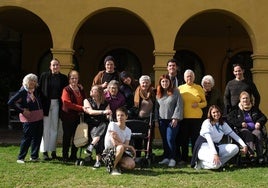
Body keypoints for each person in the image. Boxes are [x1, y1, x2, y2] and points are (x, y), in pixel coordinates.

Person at [191, 105, 248, 170]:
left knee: (235, 148)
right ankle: (200, 163)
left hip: (215, 146)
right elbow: (209, 140)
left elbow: (234, 135)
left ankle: (219, 163)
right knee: (216, 165)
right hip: (203, 147)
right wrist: (215, 154)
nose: (216, 114)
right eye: (214, 112)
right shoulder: (207, 123)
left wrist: (244, 145)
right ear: (210, 114)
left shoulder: (223, 123)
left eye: (217, 112)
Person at [8, 73, 44, 163]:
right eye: (31, 80)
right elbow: (10, 102)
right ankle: (21, 158)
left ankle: (34, 156)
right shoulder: (22, 91)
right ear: (26, 81)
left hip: (39, 118)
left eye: (34, 81)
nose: (33, 82)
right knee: (27, 138)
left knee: (37, 137)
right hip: (29, 119)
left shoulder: (35, 91)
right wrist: (22, 110)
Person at [38, 58, 68, 160]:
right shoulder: (44, 76)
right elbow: (39, 90)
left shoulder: (63, 78)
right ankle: (45, 151)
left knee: (54, 128)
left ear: (59, 66)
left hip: (57, 104)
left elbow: (67, 90)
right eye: (53, 65)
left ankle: (53, 151)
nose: (55, 67)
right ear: (50, 66)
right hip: (46, 104)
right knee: (45, 128)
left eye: (57, 65)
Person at [227, 91, 267, 164]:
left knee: (258, 133)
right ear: (240, 100)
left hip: (254, 129)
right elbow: (229, 118)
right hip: (242, 130)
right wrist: (240, 124)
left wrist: (259, 122)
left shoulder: (254, 109)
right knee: (247, 132)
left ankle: (260, 156)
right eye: (243, 98)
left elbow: (263, 117)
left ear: (249, 99)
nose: (245, 100)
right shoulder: (236, 109)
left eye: (247, 98)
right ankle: (251, 155)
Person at [177, 69, 207, 164]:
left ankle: (195, 158)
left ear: (194, 77)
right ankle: (184, 158)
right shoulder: (180, 88)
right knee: (184, 139)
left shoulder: (198, 88)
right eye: (187, 76)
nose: (189, 78)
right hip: (184, 117)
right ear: (184, 78)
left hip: (196, 118)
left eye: (191, 76)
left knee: (195, 139)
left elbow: (205, 103)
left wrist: (198, 105)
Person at [155, 75, 183, 167]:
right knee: (165, 140)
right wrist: (156, 120)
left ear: (169, 82)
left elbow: (179, 105)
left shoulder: (175, 92)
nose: (164, 83)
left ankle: (173, 158)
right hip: (162, 120)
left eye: (166, 81)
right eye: (162, 81)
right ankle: (166, 157)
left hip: (172, 120)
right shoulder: (159, 93)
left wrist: (175, 118)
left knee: (170, 139)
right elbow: (156, 108)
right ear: (160, 83)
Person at [83, 85, 112, 168]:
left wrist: (109, 115)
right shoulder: (87, 100)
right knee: (100, 135)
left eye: (94, 90)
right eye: (91, 90)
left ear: (99, 93)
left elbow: (107, 116)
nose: (91, 91)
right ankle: (97, 161)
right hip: (91, 125)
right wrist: (103, 112)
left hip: (102, 125)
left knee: (104, 125)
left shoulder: (105, 103)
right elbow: (90, 112)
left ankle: (92, 145)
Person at [61, 70, 86, 162]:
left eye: (76, 78)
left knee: (76, 137)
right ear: (69, 79)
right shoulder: (66, 89)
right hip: (68, 117)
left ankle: (73, 155)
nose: (74, 80)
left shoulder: (81, 89)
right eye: (72, 78)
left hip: (78, 117)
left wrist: (85, 108)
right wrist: (81, 108)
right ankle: (65, 156)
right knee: (67, 137)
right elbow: (66, 103)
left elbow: (85, 99)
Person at [104, 107, 136, 175]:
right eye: (118, 115)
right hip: (109, 152)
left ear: (126, 117)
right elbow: (115, 143)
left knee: (131, 165)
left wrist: (120, 140)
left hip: (121, 152)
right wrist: (130, 147)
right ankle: (112, 168)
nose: (119, 117)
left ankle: (117, 165)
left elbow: (125, 148)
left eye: (122, 115)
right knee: (120, 147)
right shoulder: (112, 125)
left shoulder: (128, 131)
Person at [133, 75, 156, 157]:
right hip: (138, 119)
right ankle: (137, 155)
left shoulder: (153, 92)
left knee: (149, 138)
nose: (145, 84)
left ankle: (148, 154)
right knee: (138, 138)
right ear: (140, 83)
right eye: (143, 83)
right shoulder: (136, 93)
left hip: (149, 119)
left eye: (147, 83)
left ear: (149, 83)